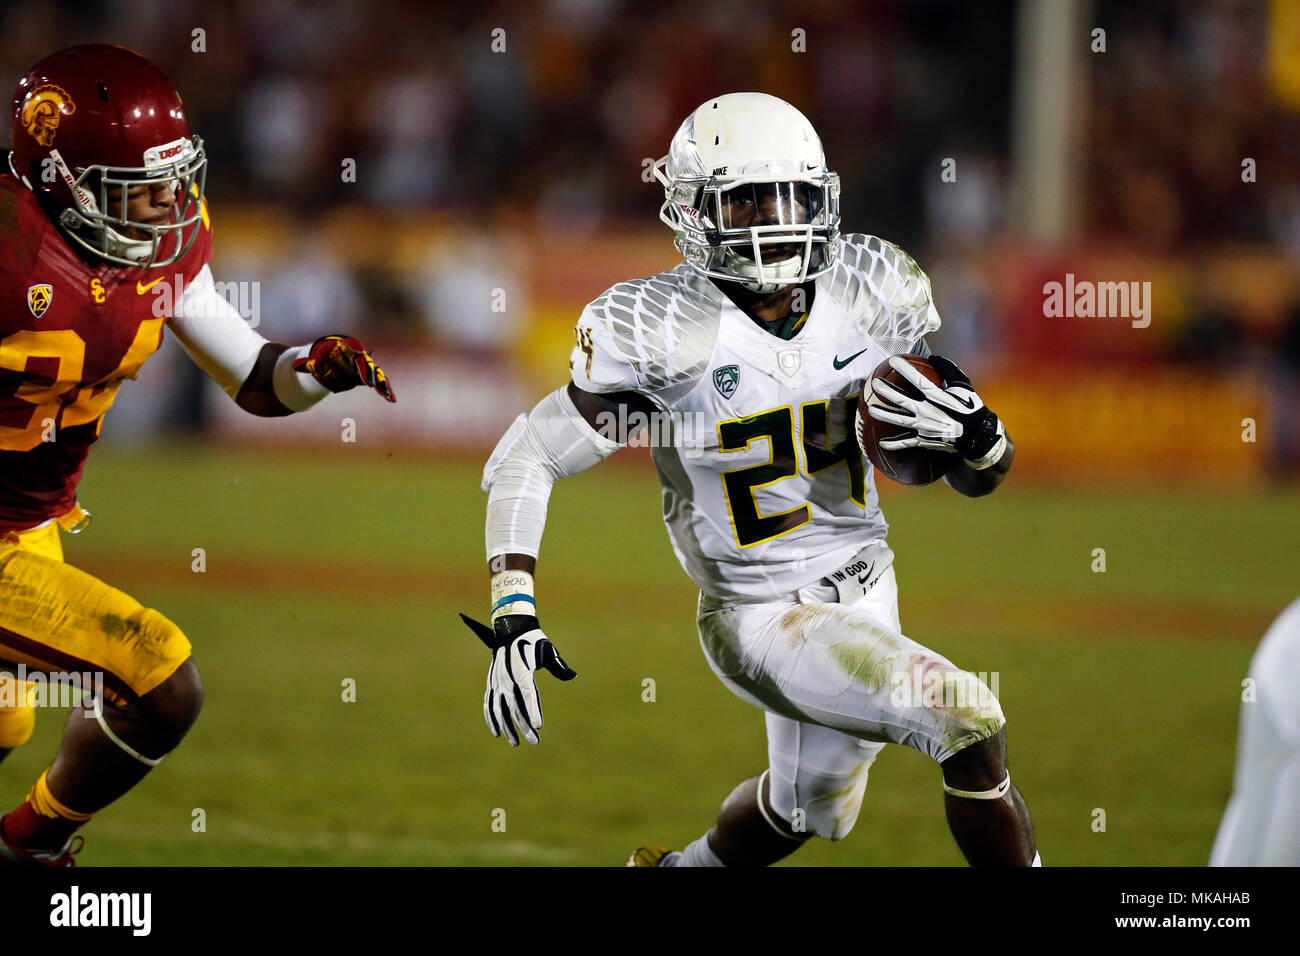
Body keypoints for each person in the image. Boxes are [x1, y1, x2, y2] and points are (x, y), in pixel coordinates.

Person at [464, 92, 1038, 866]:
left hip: (869, 585)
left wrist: (982, 443)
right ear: (694, 211)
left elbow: (977, 478)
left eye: (794, 197)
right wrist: (514, 611)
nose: (776, 219)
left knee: (809, 809)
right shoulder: (667, 329)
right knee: (968, 719)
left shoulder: (869, 291)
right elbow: (528, 456)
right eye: (748, 200)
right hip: (758, 615)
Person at [0, 44, 394, 867]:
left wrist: (313, 371)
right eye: (137, 186)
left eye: (173, 176)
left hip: (27, 524)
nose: (165, 203)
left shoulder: (162, 246)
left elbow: (254, 377)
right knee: (159, 676)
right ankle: (33, 847)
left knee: (6, 718)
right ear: (59, 178)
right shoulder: (10, 254)